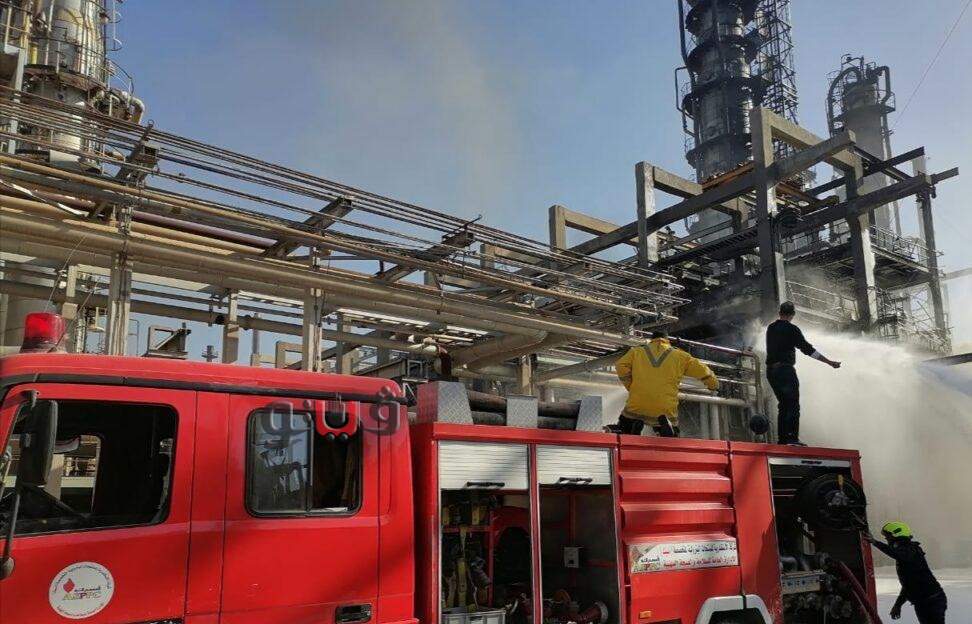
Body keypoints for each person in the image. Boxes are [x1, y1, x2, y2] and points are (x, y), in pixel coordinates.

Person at [613, 330, 719, 437]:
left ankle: (632, 428)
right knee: (667, 422)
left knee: (627, 419)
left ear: (652, 340)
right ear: (667, 341)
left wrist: (631, 386)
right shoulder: (681, 356)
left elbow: (620, 365)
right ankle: (668, 430)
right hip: (664, 407)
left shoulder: (637, 351)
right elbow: (703, 371)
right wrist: (713, 385)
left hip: (637, 404)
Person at [765, 301, 841, 445]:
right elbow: (807, 349)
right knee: (793, 404)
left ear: (780, 312)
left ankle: (783, 439)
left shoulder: (771, 328)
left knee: (783, 404)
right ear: (793, 314)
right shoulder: (792, 329)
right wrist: (829, 362)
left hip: (771, 372)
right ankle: (792, 438)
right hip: (785, 370)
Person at [862, 521, 947, 624]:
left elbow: (897, 554)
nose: (887, 540)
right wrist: (898, 605)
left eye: (888, 537)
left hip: (932, 601)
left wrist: (875, 542)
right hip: (923, 602)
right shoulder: (905, 556)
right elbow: (908, 585)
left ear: (897, 535)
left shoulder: (911, 550)